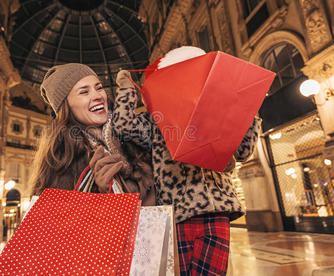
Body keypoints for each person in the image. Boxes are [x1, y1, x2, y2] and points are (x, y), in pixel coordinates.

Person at [112, 69, 262, 276]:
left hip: (216, 212)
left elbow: (244, 151)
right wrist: (127, 89)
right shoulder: (158, 121)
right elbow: (124, 126)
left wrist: (250, 109)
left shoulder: (216, 113)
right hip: (177, 215)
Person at [30, 63, 155, 206]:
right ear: (66, 106)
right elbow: (59, 220)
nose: (98, 96)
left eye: (99, 88)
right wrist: (100, 193)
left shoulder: (136, 131)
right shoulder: (59, 159)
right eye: (84, 92)